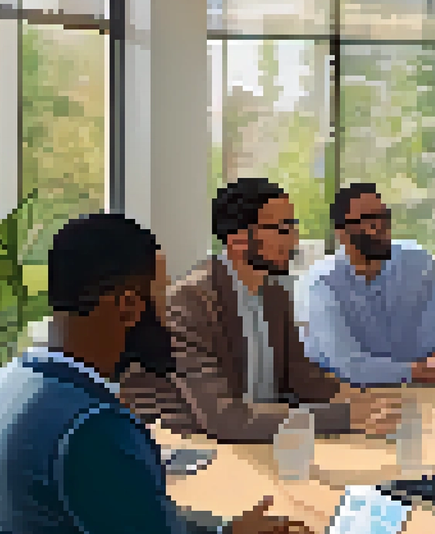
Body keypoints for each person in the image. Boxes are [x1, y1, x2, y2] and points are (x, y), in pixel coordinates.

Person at [0, 213, 384, 534]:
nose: (167, 316)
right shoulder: (93, 427)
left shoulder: (6, 388)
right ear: (126, 306)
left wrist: (225, 532)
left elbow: (118, 517)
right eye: (159, 299)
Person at [121, 178, 400, 442]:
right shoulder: (189, 303)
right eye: (282, 229)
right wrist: (346, 416)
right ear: (238, 240)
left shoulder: (275, 294)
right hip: (200, 451)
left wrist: (361, 400)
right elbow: (225, 418)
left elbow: (303, 378)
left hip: (266, 443)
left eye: (294, 227)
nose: (294, 240)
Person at [299, 183, 435, 387]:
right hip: (342, 394)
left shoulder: (417, 264)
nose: (380, 227)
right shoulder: (322, 283)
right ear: (341, 232)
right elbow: (347, 365)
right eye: (368, 221)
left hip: (416, 389)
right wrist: (418, 371)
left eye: (384, 217)